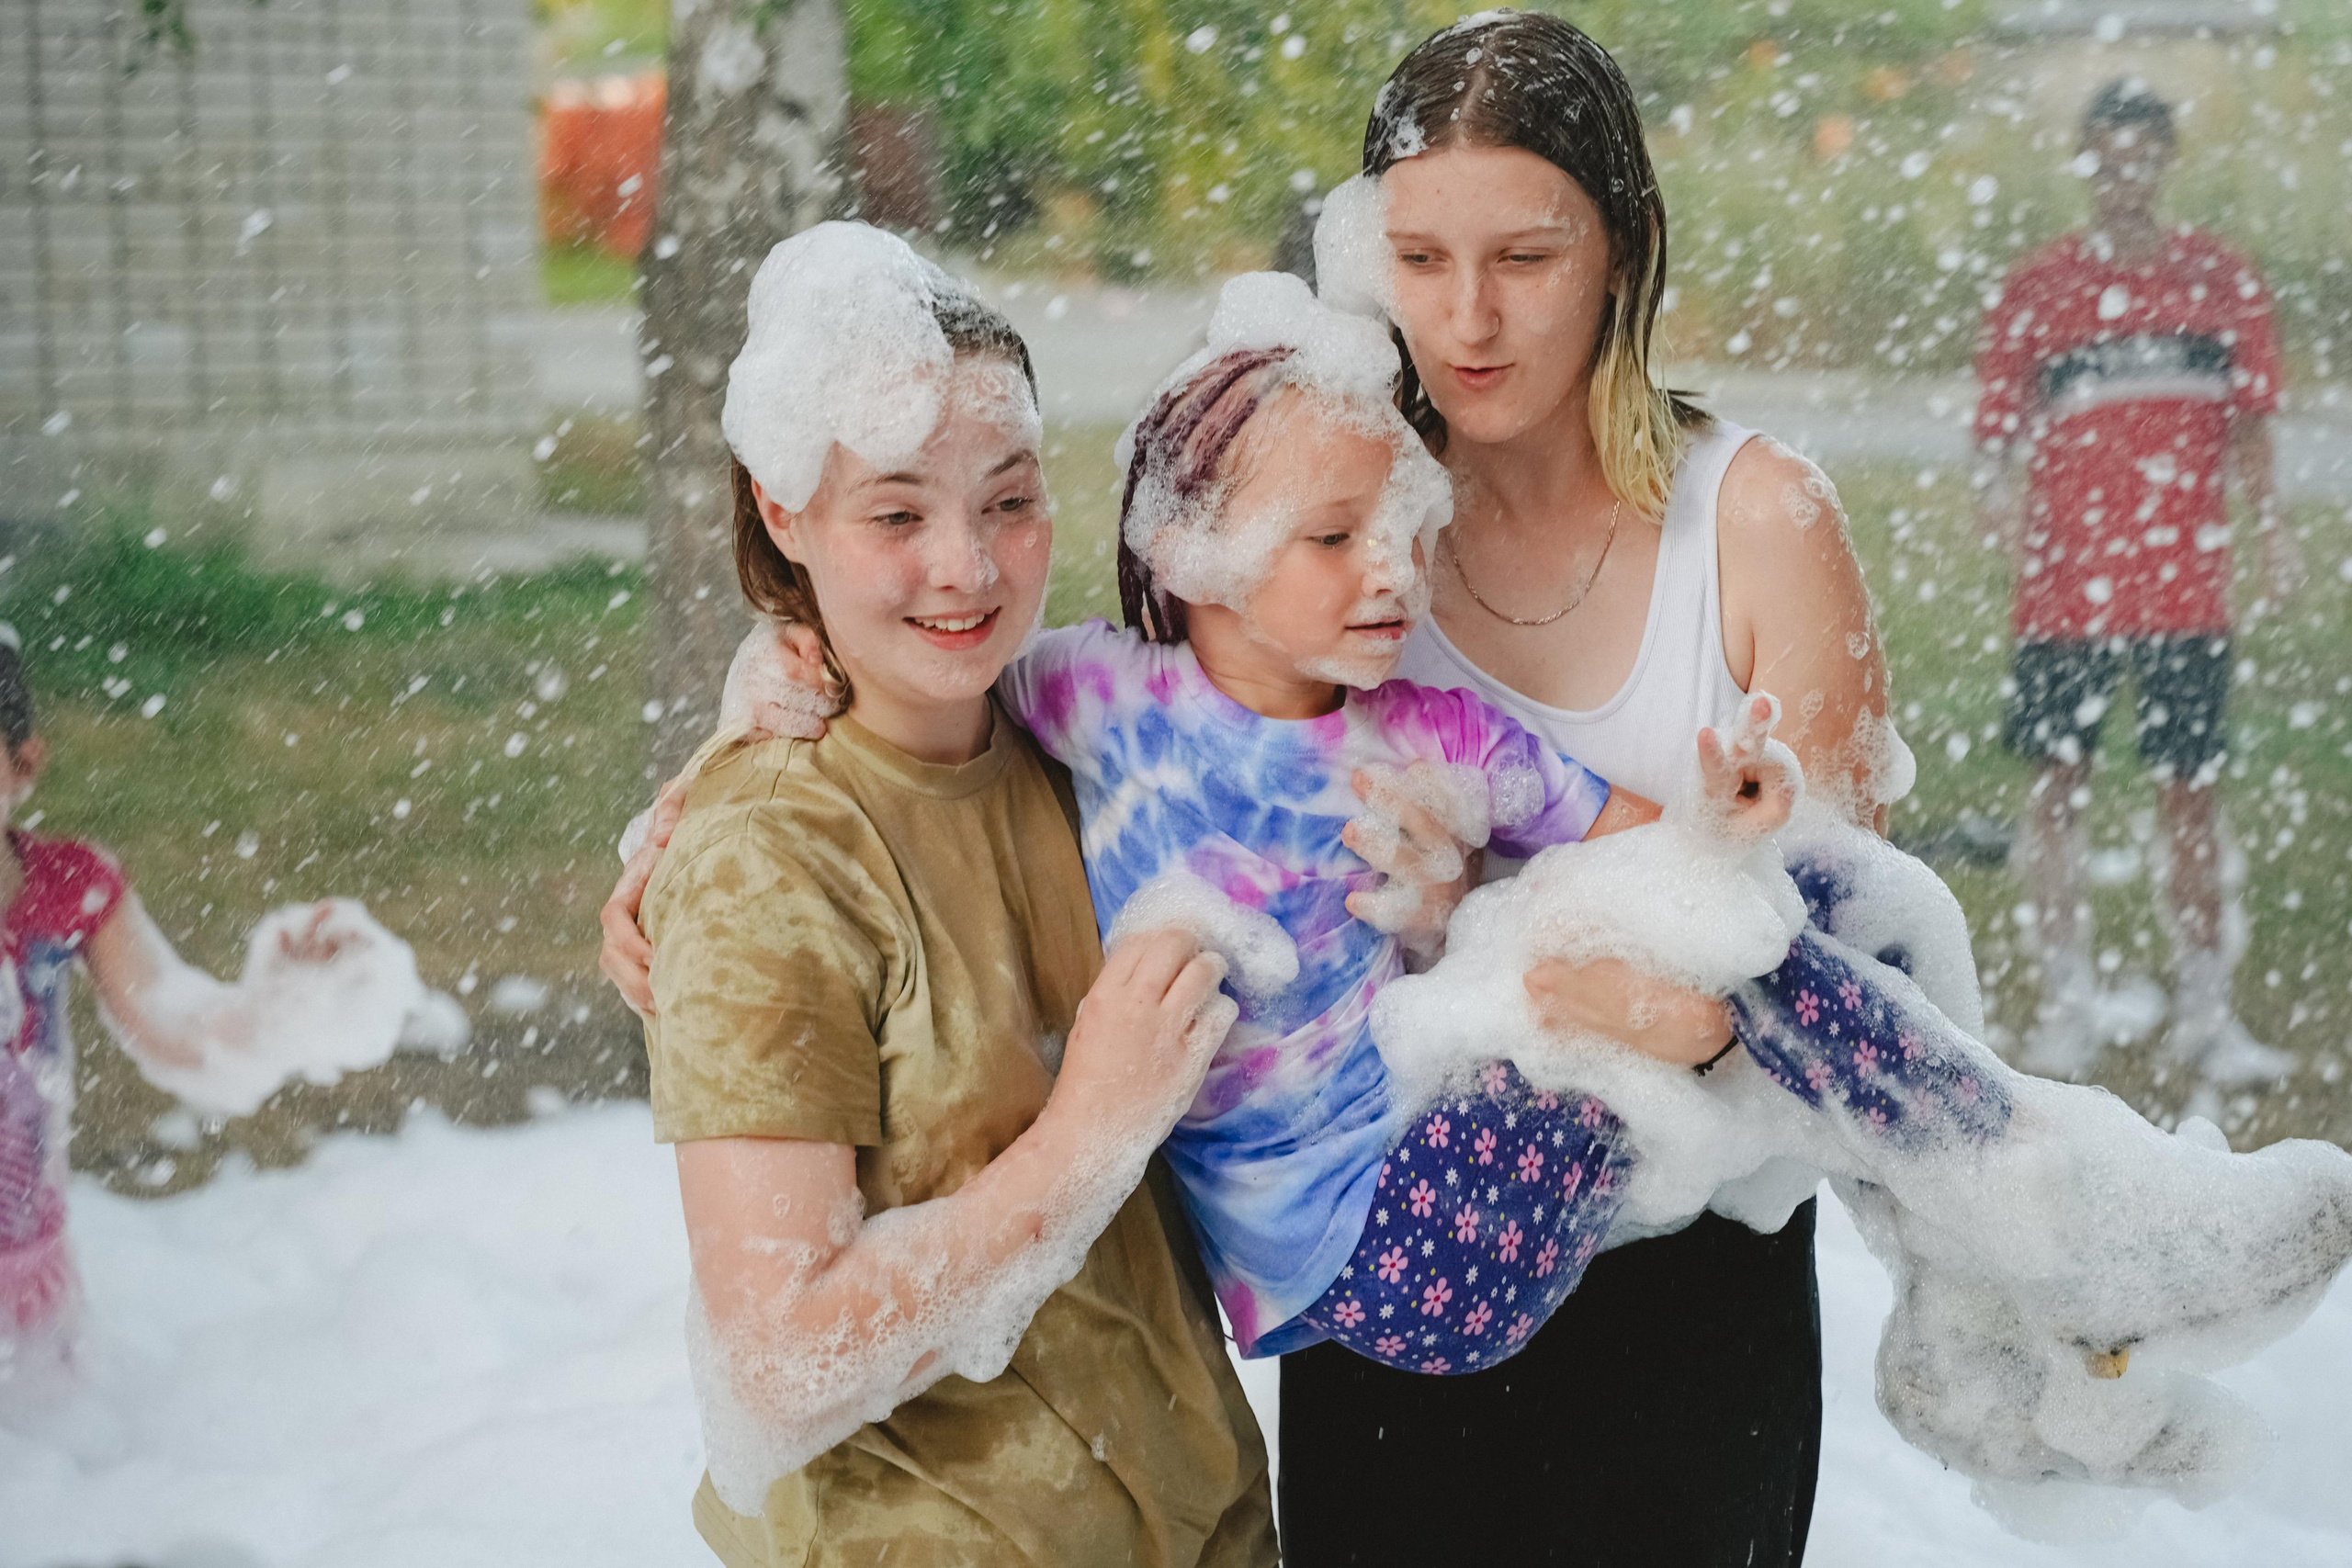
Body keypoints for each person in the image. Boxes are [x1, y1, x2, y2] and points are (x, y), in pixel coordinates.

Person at [1280, 15, 1885, 1562]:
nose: (1467, 318)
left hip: (1690, 1284)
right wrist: (789, 713)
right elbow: (1111, 737)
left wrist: (1689, 1002)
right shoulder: (1329, 525)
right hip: (1398, 1259)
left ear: (1621, 250)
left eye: (1526, 258)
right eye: (1420, 260)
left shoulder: (1756, 522)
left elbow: (1847, 974)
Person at [631, 228, 1275, 1566]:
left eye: (1008, 500)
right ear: (783, 510)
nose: (969, 568)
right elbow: (780, 1369)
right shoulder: (765, 858)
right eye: (896, 514)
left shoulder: (1078, 755)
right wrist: (1084, 1138)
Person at [1973, 77, 2304, 1085]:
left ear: (2165, 162)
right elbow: (1996, 431)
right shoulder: (2039, 288)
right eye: (2107, 161)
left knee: (2190, 798)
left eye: (2141, 159)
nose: (2124, 180)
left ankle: (2206, 1013)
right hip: (2067, 588)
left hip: (2183, 585)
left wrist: (2273, 529)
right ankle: (2067, 1006)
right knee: (2056, 791)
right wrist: (1997, 498)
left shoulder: (2222, 280)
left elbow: (2250, 424)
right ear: (2088, 164)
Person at [0, 625, 387, 1413]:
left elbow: (179, 1028)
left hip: (27, 1295)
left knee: (58, 1440)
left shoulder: (69, 887)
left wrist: (280, 1001)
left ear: (25, 764)